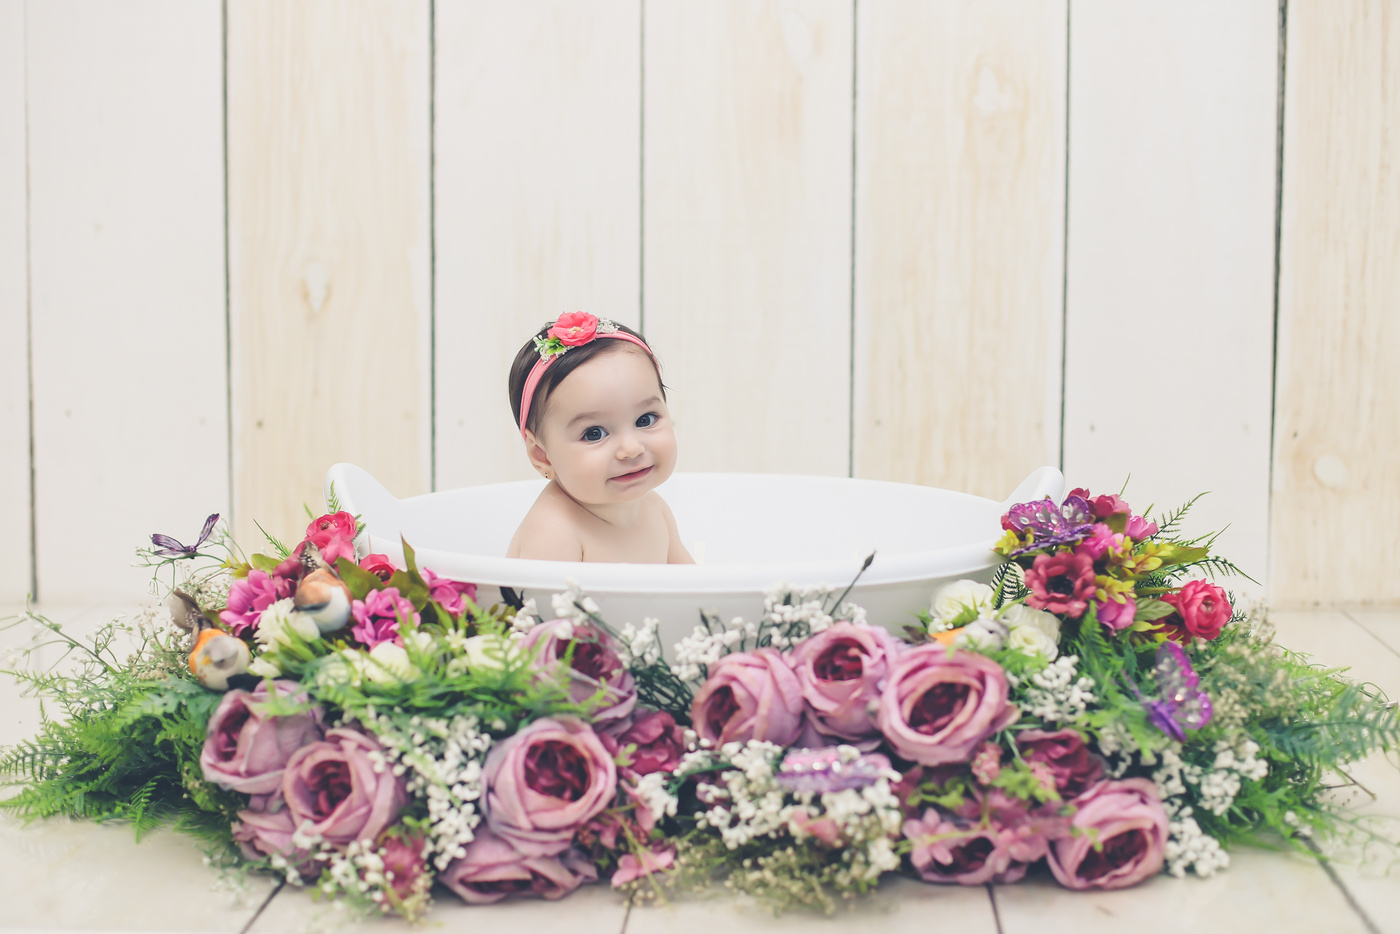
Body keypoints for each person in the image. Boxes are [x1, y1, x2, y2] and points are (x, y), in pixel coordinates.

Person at [505, 312, 694, 564]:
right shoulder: (555, 533)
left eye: (645, 420)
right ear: (543, 455)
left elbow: (692, 582)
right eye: (594, 434)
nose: (631, 448)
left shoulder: (654, 509)